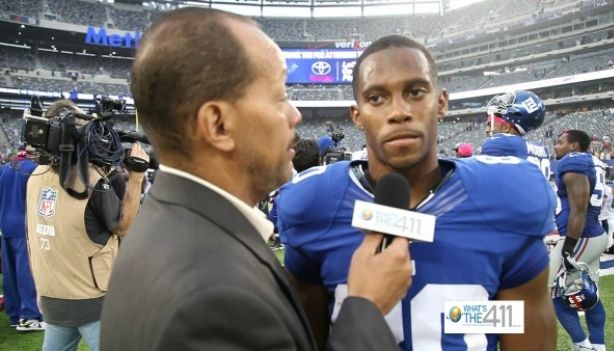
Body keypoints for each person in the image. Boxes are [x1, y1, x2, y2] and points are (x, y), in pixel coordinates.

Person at [100, 8, 412, 351]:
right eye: (280, 97)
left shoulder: (168, 224)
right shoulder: (217, 297)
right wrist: (365, 307)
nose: (295, 115)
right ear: (219, 125)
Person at [277, 35, 557, 351]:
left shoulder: (505, 198)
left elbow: (517, 322)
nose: (399, 111)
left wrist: (455, 314)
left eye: (415, 91)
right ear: (357, 116)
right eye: (377, 97)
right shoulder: (314, 204)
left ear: (441, 102)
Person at [25, 99, 148, 351]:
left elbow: (35, 237)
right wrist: (136, 178)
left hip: (52, 294)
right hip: (92, 299)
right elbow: (124, 227)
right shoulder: (90, 180)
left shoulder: (35, 177)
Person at [550, 130, 608, 351]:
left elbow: (579, 209)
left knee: (553, 293)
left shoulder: (573, 162)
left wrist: (568, 250)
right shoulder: (593, 162)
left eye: (560, 142)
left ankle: (582, 344)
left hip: (580, 237)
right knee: (588, 294)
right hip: (593, 234)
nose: (556, 146)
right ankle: (598, 345)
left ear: (573, 146)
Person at [0, 149, 43, 331]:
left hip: (5, 225)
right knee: (26, 271)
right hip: (25, 226)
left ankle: (15, 314)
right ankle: (30, 316)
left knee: (10, 273)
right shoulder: (34, 169)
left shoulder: (5, 168)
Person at [481, 90, 550, 177]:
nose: (486, 130)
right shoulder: (541, 150)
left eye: (490, 124)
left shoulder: (499, 144)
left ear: (506, 127)